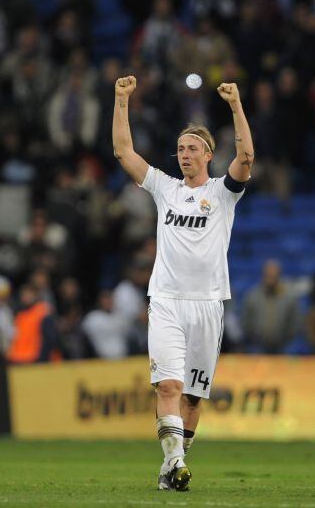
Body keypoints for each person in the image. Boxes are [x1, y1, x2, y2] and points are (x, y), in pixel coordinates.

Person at [112, 76, 254, 491]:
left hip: (208, 304)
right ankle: (174, 462)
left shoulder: (223, 192)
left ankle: (173, 468)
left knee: (193, 398)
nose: (184, 153)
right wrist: (121, 100)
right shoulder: (165, 189)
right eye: (180, 148)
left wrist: (236, 105)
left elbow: (246, 154)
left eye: (192, 148)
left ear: (209, 154)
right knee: (169, 385)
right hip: (167, 301)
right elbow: (123, 151)